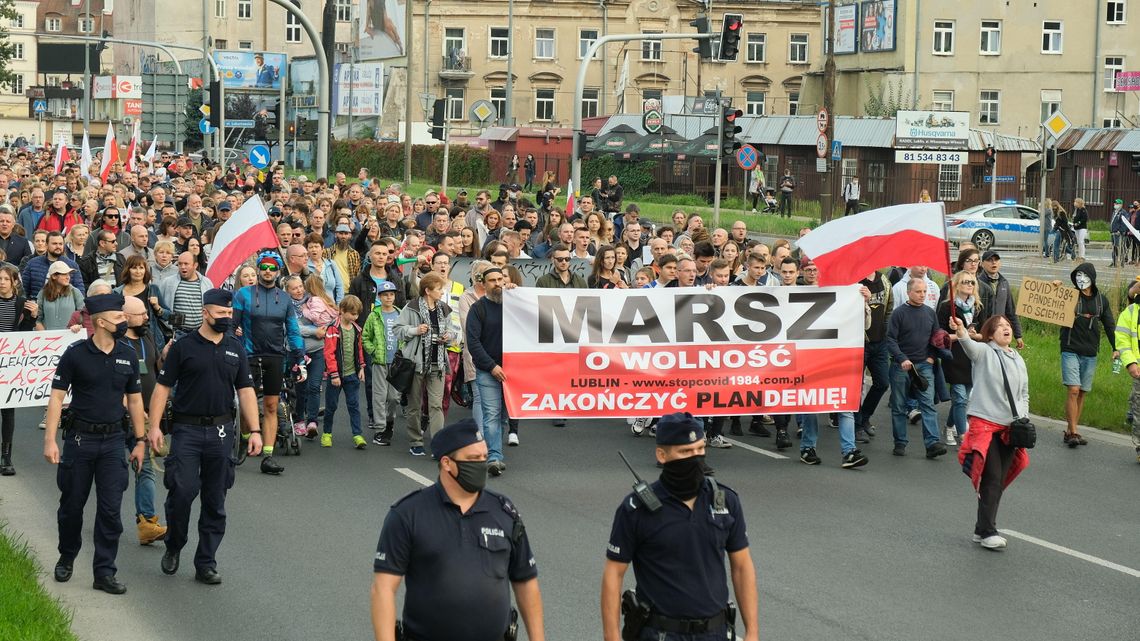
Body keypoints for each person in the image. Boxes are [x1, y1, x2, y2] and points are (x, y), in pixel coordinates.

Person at [370, 418, 545, 641]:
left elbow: (526, 581)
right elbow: (383, 589)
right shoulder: (408, 514)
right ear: (447, 463)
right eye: (473, 459)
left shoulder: (504, 512)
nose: (482, 464)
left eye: (484, 457)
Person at [601, 413, 758, 641]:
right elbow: (613, 574)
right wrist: (612, 636)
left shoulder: (724, 500)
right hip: (661, 633)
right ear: (662, 455)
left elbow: (742, 566)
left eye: (699, 449)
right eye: (685, 451)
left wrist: (752, 631)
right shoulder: (636, 509)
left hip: (715, 633)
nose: (695, 457)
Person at [148, 288, 261, 584]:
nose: (227, 317)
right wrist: (154, 426)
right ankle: (174, 544)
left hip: (221, 431)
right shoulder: (183, 347)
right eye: (221, 313)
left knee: (215, 499)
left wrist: (255, 430)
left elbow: (246, 391)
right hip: (187, 429)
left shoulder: (236, 348)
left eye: (229, 313)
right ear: (205, 312)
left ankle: (206, 562)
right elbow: (162, 387)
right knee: (182, 491)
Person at [42, 292, 147, 595]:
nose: (124, 321)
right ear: (101, 322)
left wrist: (140, 441)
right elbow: (57, 398)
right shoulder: (75, 354)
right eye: (118, 317)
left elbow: (135, 400)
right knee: (72, 506)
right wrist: (50, 440)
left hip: (113, 441)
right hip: (80, 441)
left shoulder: (128, 354)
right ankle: (67, 554)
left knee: (111, 511)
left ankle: (104, 572)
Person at [949, 315, 1031, 550]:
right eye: (1000, 326)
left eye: (1008, 325)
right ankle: (988, 531)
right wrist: (961, 330)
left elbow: (1024, 393)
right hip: (985, 424)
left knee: (998, 480)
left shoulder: (1017, 358)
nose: (1006, 329)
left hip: (1010, 428)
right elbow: (968, 346)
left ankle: (980, 528)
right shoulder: (985, 352)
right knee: (993, 477)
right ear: (990, 334)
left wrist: (1023, 417)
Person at [232, 251, 304, 476]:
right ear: (259, 269)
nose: (268, 271)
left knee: (272, 406)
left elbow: (293, 330)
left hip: (275, 356)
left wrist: (300, 357)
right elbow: (231, 326)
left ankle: (268, 456)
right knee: (248, 404)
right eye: (264, 267)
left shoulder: (284, 298)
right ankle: (245, 437)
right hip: (249, 355)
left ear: (278, 271)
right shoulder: (243, 294)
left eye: (273, 268)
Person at [120, 296, 168, 546]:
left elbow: (155, 366)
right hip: (122, 418)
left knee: (145, 468)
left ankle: (147, 523)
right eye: (141, 314)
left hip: (147, 414)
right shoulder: (117, 343)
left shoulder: (147, 336)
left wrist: (165, 355)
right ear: (126, 317)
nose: (146, 317)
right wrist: (131, 408)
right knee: (115, 472)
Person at [394, 272, 458, 457]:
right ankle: (416, 441)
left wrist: (448, 336)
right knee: (414, 405)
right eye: (439, 289)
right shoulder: (412, 307)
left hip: (438, 363)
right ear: (428, 291)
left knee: (436, 405)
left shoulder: (444, 308)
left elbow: (453, 332)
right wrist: (415, 330)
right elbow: (397, 329)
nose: (442, 292)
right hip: (416, 363)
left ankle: (438, 444)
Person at [886, 278, 947, 459]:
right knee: (899, 406)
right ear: (908, 292)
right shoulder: (898, 314)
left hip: (924, 365)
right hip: (901, 366)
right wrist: (902, 358)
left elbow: (936, 338)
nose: (922, 295)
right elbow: (890, 339)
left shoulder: (930, 313)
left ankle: (932, 443)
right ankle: (900, 442)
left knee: (927, 404)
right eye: (918, 292)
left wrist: (932, 357)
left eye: (924, 292)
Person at [1060, 263, 1117, 447]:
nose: (1081, 279)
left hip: (1090, 351)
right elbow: (1052, 303)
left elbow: (1109, 325)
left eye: (1084, 275)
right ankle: (1074, 432)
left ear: (1092, 278)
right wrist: (1055, 288)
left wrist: (1116, 347)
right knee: (1073, 389)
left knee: (1082, 392)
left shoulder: (1101, 301)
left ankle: (1071, 430)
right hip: (1070, 348)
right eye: (1078, 275)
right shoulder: (1070, 295)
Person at [937, 271, 987, 446]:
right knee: (959, 397)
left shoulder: (978, 307)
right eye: (966, 282)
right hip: (954, 357)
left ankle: (949, 426)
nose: (970, 285)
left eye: (972, 282)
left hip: (972, 358)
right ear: (956, 285)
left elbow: (983, 335)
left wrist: (972, 334)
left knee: (963, 399)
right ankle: (964, 438)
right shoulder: (946, 307)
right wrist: (959, 334)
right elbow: (940, 336)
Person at [0, 264, 36, 476]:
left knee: (7, 411)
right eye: (0, 279)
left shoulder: (21, 303)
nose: (2, 282)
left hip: (9, 364)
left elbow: (24, 335)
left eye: (6, 279)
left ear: (14, 282)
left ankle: (6, 456)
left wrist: (32, 317)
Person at [321, 294, 367, 448]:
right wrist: (334, 374)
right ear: (342, 310)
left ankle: (357, 435)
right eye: (352, 314)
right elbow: (329, 353)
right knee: (331, 406)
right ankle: (327, 433)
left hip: (352, 374)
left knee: (354, 406)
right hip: (336, 376)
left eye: (357, 314)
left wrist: (361, 367)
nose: (355, 317)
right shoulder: (333, 328)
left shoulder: (357, 329)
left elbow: (359, 349)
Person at [364, 280, 403, 446]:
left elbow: (405, 335)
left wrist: (403, 353)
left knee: (394, 397)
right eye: (385, 295)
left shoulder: (400, 314)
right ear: (379, 297)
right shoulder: (374, 315)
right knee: (379, 396)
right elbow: (365, 337)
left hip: (396, 363)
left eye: (391, 294)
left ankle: (389, 422)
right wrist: (373, 351)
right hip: (380, 362)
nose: (389, 297)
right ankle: (380, 429)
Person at [977, 251, 1024, 349]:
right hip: (982, 334)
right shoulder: (977, 283)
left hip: (1001, 334)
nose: (993, 263)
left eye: (996, 260)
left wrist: (1018, 335)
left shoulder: (1004, 283)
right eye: (989, 260)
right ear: (982, 264)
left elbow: (1011, 311)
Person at [36, 261, 85, 330]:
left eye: (68, 274)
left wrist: (78, 326)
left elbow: (84, 316)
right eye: (64, 274)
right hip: (48, 336)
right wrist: (44, 334)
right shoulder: (42, 293)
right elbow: (37, 319)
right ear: (54, 276)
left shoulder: (75, 292)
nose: (68, 277)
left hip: (71, 335)